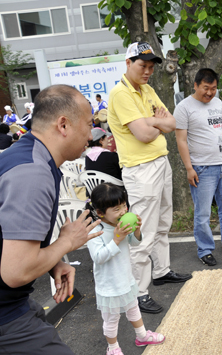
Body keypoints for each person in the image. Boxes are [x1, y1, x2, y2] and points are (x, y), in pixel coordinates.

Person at [0, 84, 103, 354]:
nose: (91, 133)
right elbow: (16, 272)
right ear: (64, 125)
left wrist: (53, 261)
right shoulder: (32, 173)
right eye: (88, 123)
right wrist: (66, 243)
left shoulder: (27, 155)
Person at [108, 41, 192, 314]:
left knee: (163, 221)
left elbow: (172, 123)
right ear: (128, 63)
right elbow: (145, 134)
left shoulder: (147, 89)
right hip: (140, 168)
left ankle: (161, 270)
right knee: (143, 231)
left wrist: (153, 122)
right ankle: (138, 292)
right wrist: (156, 122)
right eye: (142, 65)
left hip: (160, 162)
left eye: (151, 66)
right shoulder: (121, 94)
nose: (147, 71)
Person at [174, 68, 222, 267]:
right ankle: (205, 249)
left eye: (213, 88)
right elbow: (181, 141)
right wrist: (189, 168)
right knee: (203, 213)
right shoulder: (184, 107)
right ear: (195, 85)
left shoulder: (217, 102)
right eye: (205, 88)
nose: (209, 93)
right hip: (202, 167)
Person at [86, 183, 165, 355]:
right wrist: (116, 239)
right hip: (109, 286)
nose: (123, 211)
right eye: (116, 209)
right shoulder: (95, 232)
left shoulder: (122, 225)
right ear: (100, 213)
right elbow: (99, 258)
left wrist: (136, 231)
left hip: (126, 280)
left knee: (133, 308)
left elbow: (135, 243)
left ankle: (142, 335)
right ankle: (113, 348)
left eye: (124, 206)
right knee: (111, 319)